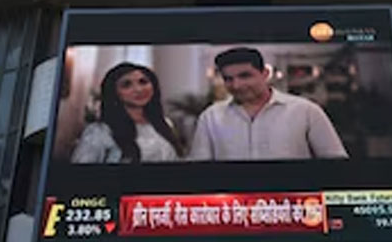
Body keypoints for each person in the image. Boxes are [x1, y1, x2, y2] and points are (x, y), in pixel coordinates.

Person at [189, 46, 348, 160]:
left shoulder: (306, 111)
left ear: (265, 74)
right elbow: (199, 172)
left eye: (245, 76)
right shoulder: (210, 118)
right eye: (228, 79)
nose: (236, 85)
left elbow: (336, 163)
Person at [70, 62, 181, 164]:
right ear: (114, 92)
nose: (138, 89)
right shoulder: (99, 131)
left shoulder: (163, 124)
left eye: (143, 82)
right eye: (126, 85)